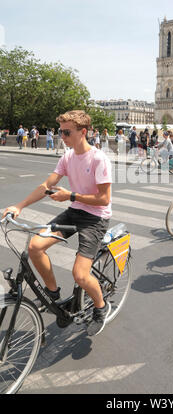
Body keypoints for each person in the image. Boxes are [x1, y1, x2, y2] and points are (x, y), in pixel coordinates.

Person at [2, 110, 112, 336]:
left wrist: (70, 196)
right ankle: (53, 296)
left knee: (80, 275)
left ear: (83, 132)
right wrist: (19, 206)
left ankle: (100, 308)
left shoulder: (99, 158)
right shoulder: (68, 157)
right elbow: (46, 186)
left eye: (66, 132)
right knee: (35, 247)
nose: (62, 136)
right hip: (74, 212)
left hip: (96, 217)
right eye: (60, 131)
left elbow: (104, 198)